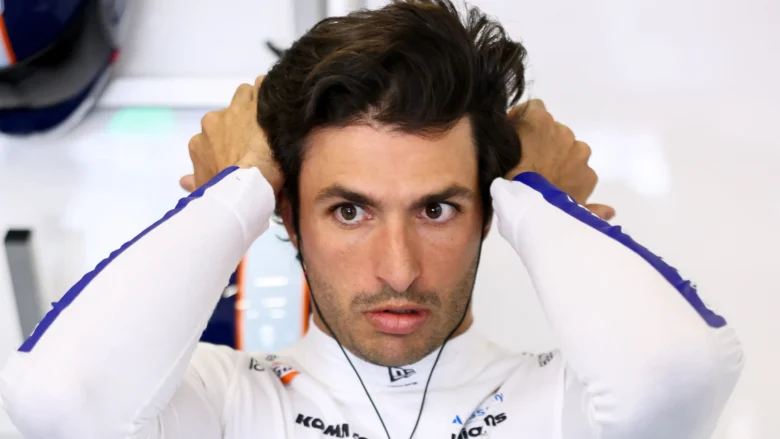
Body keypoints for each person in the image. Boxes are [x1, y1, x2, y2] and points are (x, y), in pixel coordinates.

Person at [0, 1, 743, 438]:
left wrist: (535, 192)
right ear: (288, 216)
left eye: (437, 208)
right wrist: (239, 189)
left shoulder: (561, 409)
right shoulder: (223, 405)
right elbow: (59, 402)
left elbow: (673, 377)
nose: (399, 269)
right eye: (349, 210)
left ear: (489, 214)